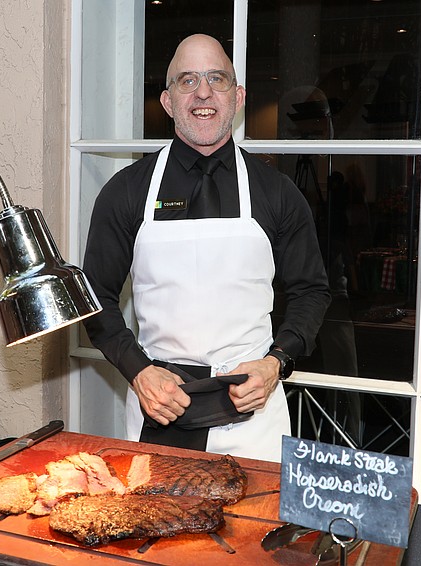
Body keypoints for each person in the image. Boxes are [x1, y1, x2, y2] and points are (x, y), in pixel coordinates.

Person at [81, 34, 331, 462]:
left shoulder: (277, 193)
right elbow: (94, 297)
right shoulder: (126, 192)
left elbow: (312, 291)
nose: (203, 92)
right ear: (166, 100)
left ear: (237, 97)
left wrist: (276, 363)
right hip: (160, 405)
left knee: (258, 528)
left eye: (217, 79)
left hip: (251, 411)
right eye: (187, 80)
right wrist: (138, 372)